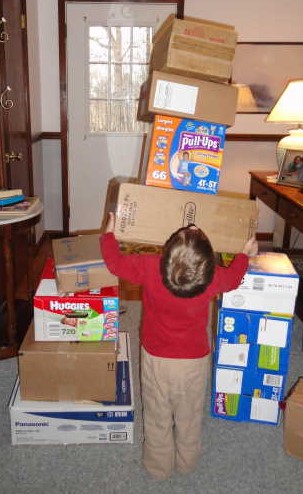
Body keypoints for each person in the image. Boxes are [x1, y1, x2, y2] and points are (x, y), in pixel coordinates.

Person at [100, 214, 258, 480]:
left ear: (165, 252)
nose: (193, 226)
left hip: (156, 359)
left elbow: (114, 263)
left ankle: (157, 467)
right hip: (193, 362)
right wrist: (245, 255)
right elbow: (233, 279)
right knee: (189, 415)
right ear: (208, 263)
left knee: (156, 413)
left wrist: (109, 234)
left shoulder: (150, 266)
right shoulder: (214, 277)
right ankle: (187, 462)